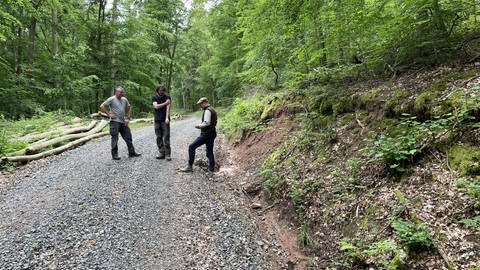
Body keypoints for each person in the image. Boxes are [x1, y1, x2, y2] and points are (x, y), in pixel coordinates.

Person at [100, 86, 141, 160]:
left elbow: (129, 107)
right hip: (114, 122)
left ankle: (131, 152)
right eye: (120, 92)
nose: (122, 93)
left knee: (128, 137)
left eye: (123, 92)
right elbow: (102, 106)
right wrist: (109, 114)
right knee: (115, 138)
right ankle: (114, 155)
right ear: (116, 92)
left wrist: (128, 118)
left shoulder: (124, 99)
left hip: (123, 122)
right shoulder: (112, 99)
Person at [180, 97, 217, 173]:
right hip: (212, 132)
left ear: (205, 102)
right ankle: (211, 168)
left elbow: (206, 122)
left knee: (191, 147)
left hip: (206, 134)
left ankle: (189, 166)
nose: (200, 105)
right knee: (209, 151)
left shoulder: (207, 111)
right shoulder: (212, 109)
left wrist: (199, 126)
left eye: (201, 104)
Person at [152, 85, 172, 160]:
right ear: (157, 90)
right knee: (158, 137)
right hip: (157, 120)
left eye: (163, 90)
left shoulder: (167, 97)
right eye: (160, 90)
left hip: (164, 120)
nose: (162, 92)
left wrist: (167, 117)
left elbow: (168, 108)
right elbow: (156, 106)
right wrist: (165, 103)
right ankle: (161, 152)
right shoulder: (154, 97)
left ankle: (167, 154)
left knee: (166, 136)